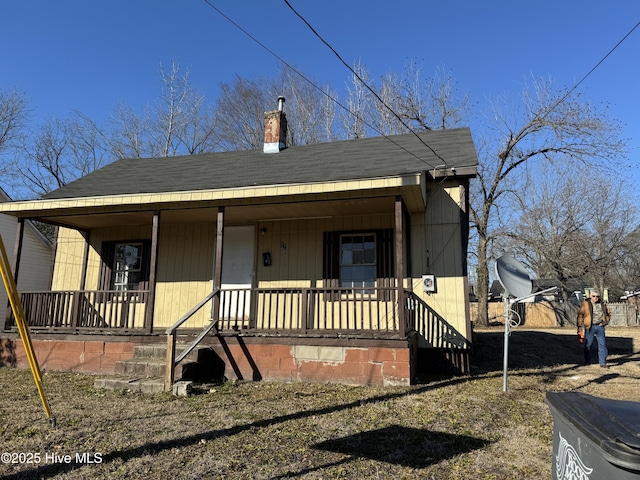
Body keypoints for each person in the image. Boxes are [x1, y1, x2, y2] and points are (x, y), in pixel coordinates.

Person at [577, 290, 611, 368]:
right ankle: (587, 360)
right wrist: (579, 326)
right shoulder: (585, 304)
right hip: (589, 327)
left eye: (597, 296)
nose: (595, 298)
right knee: (588, 344)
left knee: (602, 345)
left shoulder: (603, 304)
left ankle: (602, 363)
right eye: (594, 296)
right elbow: (580, 315)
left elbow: (608, 313)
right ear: (590, 296)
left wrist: (604, 322)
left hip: (600, 326)